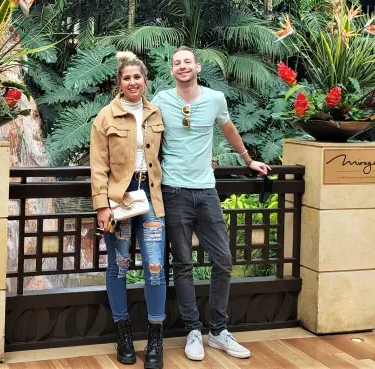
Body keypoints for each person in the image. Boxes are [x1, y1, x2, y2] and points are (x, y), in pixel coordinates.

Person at [151, 46, 271, 362]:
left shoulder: (215, 98)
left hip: (206, 191)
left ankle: (218, 331)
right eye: (176, 63)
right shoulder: (162, 99)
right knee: (183, 264)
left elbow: (228, 127)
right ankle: (193, 330)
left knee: (223, 259)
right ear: (172, 70)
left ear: (198, 67)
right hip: (173, 190)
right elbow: (148, 135)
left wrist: (248, 159)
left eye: (187, 62)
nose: (182, 66)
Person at [90, 51, 167, 369]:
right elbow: (97, 165)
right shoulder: (105, 117)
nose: (133, 82)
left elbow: (169, 151)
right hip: (119, 199)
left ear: (145, 81)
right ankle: (123, 336)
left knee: (155, 267)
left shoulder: (156, 113)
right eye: (127, 77)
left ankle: (155, 340)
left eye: (138, 77)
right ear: (119, 82)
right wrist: (101, 205)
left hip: (150, 196)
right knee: (119, 266)